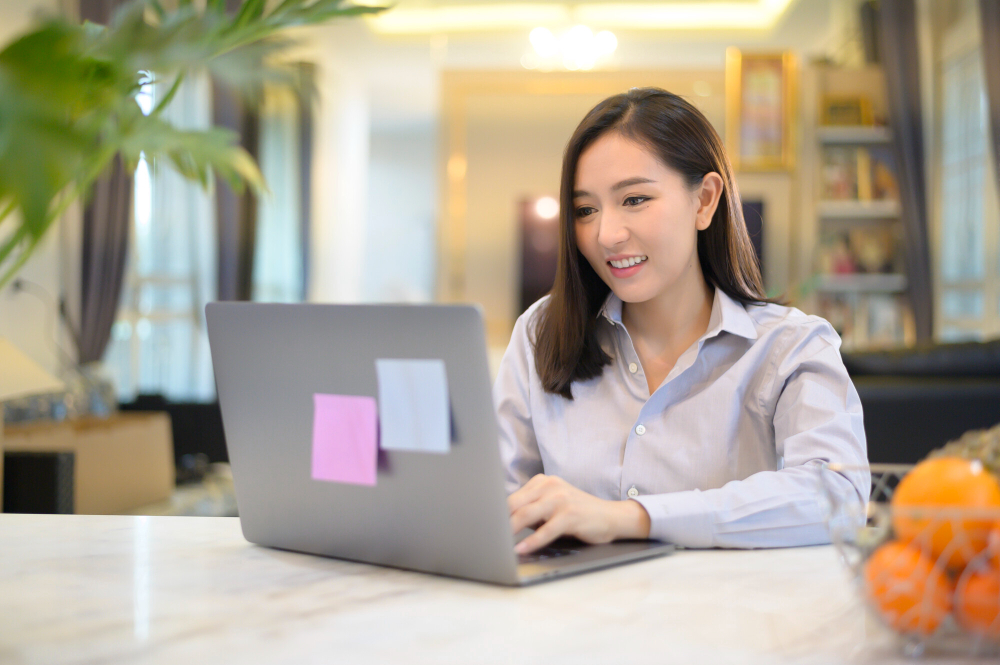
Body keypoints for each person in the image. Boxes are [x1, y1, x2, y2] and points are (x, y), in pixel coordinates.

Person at [494, 87, 870, 555]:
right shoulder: (541, 333)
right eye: (586, 210)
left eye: (634, 199)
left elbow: (838, 496)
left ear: (704, 201)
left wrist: (631, 519)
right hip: (572, 617)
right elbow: (494, 504)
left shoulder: (790, 347)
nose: (606, 234)